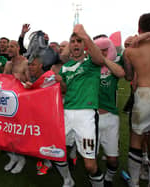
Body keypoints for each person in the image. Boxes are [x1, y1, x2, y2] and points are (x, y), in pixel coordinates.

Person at [55, 24, 105, 187]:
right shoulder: (65, 67)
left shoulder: (91, 62)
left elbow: (100, 59)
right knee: (56, 151)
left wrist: (86, 36)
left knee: (90, 165)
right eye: (73, 41)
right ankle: (68, 180)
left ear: (84, 45)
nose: (76, 44)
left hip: (86, 115)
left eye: (79, 41)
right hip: (67, 112)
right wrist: (61, 82)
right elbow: (64, 90)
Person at [124, 13, 150, 187]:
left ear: (138, 27)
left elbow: (128, 76)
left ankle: (134, 182)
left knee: (136, 138)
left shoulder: (131, 50)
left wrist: (145, 36)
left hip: (144, 94)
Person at [93, 37, 125, 186]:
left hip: (110, 116)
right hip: (91, 118)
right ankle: (97, 180)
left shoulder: (115, 63)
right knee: (90, 158)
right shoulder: (88, 65)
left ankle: (109, 178)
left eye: (105, 49)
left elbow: (121, 74)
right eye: (98, 50)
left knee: (113, 160)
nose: (102, 53)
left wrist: (104, 59)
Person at [2, 40, 29, 174]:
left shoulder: (25, 62)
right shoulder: (7, 64)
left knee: (18, 132)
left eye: (12, 46)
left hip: (21, 102)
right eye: (8, 47)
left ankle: (21, 159)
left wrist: (23, 81)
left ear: (18, 48)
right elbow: (2, 81)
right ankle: (13, 157)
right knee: (7, 132)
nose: (9, 49)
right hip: (8, 102)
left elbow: (31, 82)